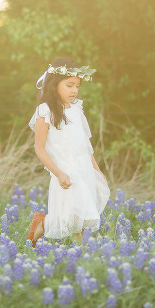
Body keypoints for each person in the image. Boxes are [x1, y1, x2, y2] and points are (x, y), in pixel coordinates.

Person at [27, 57, 110, 247]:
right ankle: (80, 252)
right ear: (55, 84)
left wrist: (97, 171)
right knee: (71, 216)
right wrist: (58, 173)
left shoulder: (76, 109)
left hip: (83, 168)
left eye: (77, 86)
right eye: (69, 85)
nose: (74, 90)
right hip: (65, 170)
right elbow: (39, 149)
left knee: (75, 215)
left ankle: (41, 224)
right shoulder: (45, 110)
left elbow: (85, 146)